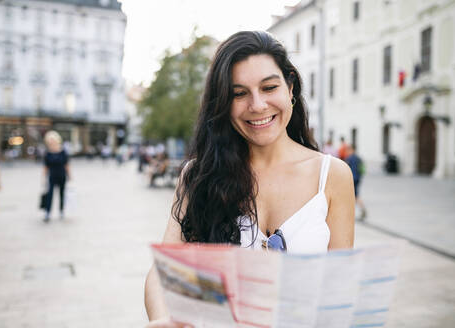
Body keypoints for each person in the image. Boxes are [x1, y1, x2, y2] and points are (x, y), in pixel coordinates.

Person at [144, 31, 355, 327]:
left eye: (269, 87)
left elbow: (339, 282)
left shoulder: (332, 175)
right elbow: (163, 271)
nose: (257, 105)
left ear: (290, 88)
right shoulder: (199, 175)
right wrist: (163, 319)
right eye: (239, 93)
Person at [43, 130, 70, 222]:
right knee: (50, 194)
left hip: (62, 175)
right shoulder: (47, 153)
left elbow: (66, 164)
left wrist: (70, 175)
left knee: (62, 193)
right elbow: (45, 167)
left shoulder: (63, 151)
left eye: (53, 140)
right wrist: (44, 177)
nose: (52, 142)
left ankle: (61, 210)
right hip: (52, 176)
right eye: (50, 140)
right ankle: (47, 212)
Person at [345, 145, 367, 221]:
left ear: (351, 150)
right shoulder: (359, 158)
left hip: (351, 179)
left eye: (348, 150)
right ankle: (358, 210)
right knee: (354, 196)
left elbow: (346, 169)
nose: (347, 152)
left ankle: (361, 209)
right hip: (358, 179)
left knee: (354, 196)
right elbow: (362, 169)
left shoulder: (349, 158)